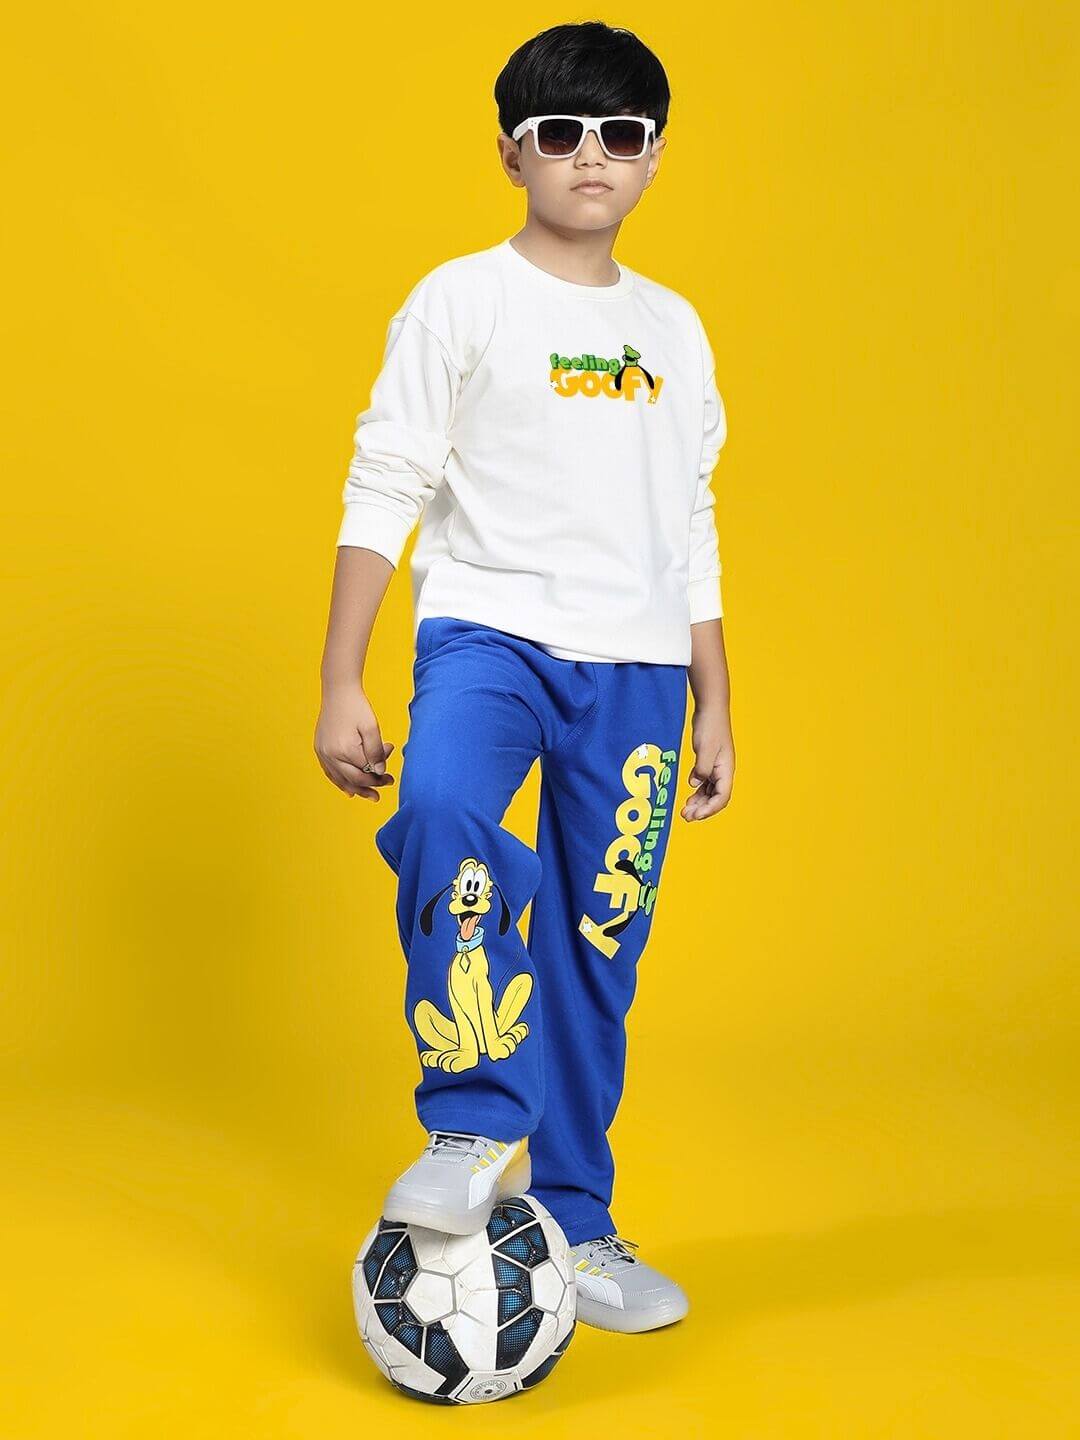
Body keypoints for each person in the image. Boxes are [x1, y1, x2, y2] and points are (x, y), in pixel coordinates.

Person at [315, 21, 735, 1335]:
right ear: (512, 155)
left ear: (656, 156)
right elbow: (388, 478)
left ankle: (580, 1222)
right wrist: (341, 676)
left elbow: (693, 520)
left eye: (621, 133)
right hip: (488, 640)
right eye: (561, 133)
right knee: (442, 814)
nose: (591, 156)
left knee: (598, 950)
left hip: (643, 673)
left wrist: (718, 694)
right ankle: (470, 1123)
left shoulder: (675, 328)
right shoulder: (460, 300)